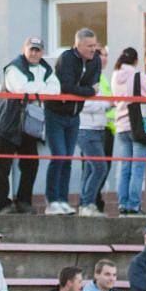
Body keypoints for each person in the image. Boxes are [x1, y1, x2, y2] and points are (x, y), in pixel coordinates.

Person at [0, 36, 59, 214]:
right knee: (3, 165)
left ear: (42, 52)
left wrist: (33, 88)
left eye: (38, 50)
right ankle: (3, 204)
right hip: (7, 122)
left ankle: (24, 201)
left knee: (31, 163)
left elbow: (56, 89)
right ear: (25, 49)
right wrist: (40, 87)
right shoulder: (14, 67)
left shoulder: (45, 68)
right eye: (32, 49)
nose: (35, 53)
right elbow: (19, 89)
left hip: (29, 125)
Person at [44, 28, 101, 216]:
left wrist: (85, 90)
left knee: (68, 158)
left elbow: (94, 85)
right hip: (55, 113)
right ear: (78, 45)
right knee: (59, 156)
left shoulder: (96, 60)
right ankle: (52, 201)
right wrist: (88, 91)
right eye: (89, 46)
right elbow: (66, 87)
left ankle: (63, 200)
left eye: (95, 45)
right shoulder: (67, 58)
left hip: (74, 115)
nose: (94, 49)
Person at [111, 47, 146, 216]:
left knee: (125, 168)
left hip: (121, 125)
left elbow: (116, 100)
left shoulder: (115, 75)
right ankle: (134, 206)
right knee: (138, 168)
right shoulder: (138, 75)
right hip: (140, 125)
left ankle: (122, 204)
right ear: (136, 60)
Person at [77, 66, 111, 217]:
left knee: (90, 169)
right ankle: (87, 203)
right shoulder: (80, 83)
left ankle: (86, 204)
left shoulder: (96, 83)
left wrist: (105, 103)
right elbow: (83, 105)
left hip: (98, 128)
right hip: (86, 129)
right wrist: (106, 104)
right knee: (100, 167)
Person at [94, 45, 115, 213]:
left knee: (103, 168)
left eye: (106, 55)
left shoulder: (103, 77)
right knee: (96, 168)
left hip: (108, 128)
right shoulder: (93, 75)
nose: (105, 58)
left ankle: (95, 200)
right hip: (97, 128)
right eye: (101, 55)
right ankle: (91, 201)